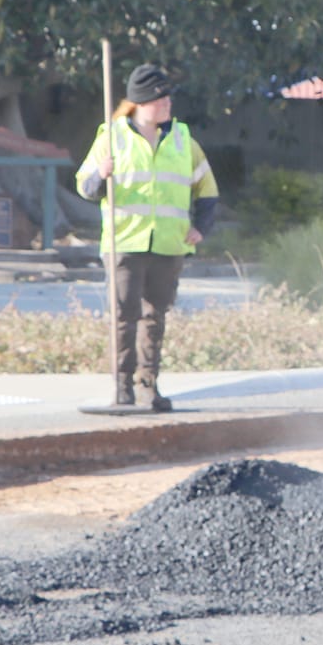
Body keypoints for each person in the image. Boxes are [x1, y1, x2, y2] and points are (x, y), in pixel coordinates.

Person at [75, 63, 218, 410]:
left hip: (170, 244)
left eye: (168, 98)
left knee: (156, 316)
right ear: (141, 103)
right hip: (125, 243)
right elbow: (85, 187)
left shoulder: (184, 140)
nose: (167, 104)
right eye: (160, 99)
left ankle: (147, 386)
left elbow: (208, 189)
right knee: (124, 317)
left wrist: (202, 227)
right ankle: (122, 387)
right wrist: (100, 174)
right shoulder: (111, 138)